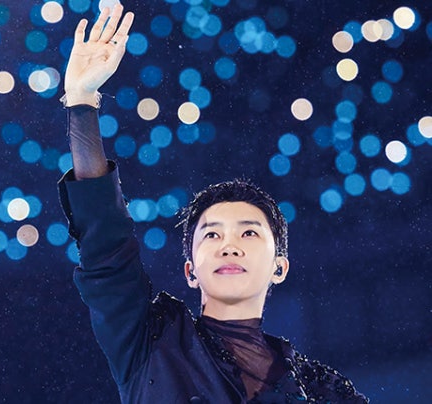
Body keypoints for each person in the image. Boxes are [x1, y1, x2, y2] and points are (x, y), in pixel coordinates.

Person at [57, 4, 368, 403]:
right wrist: (82, 100)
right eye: (211, 234)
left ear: (280, 267)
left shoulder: (322, 389)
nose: (229, 245)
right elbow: (105, 244)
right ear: (190, 270)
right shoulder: (150, 342)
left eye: (249, 233)